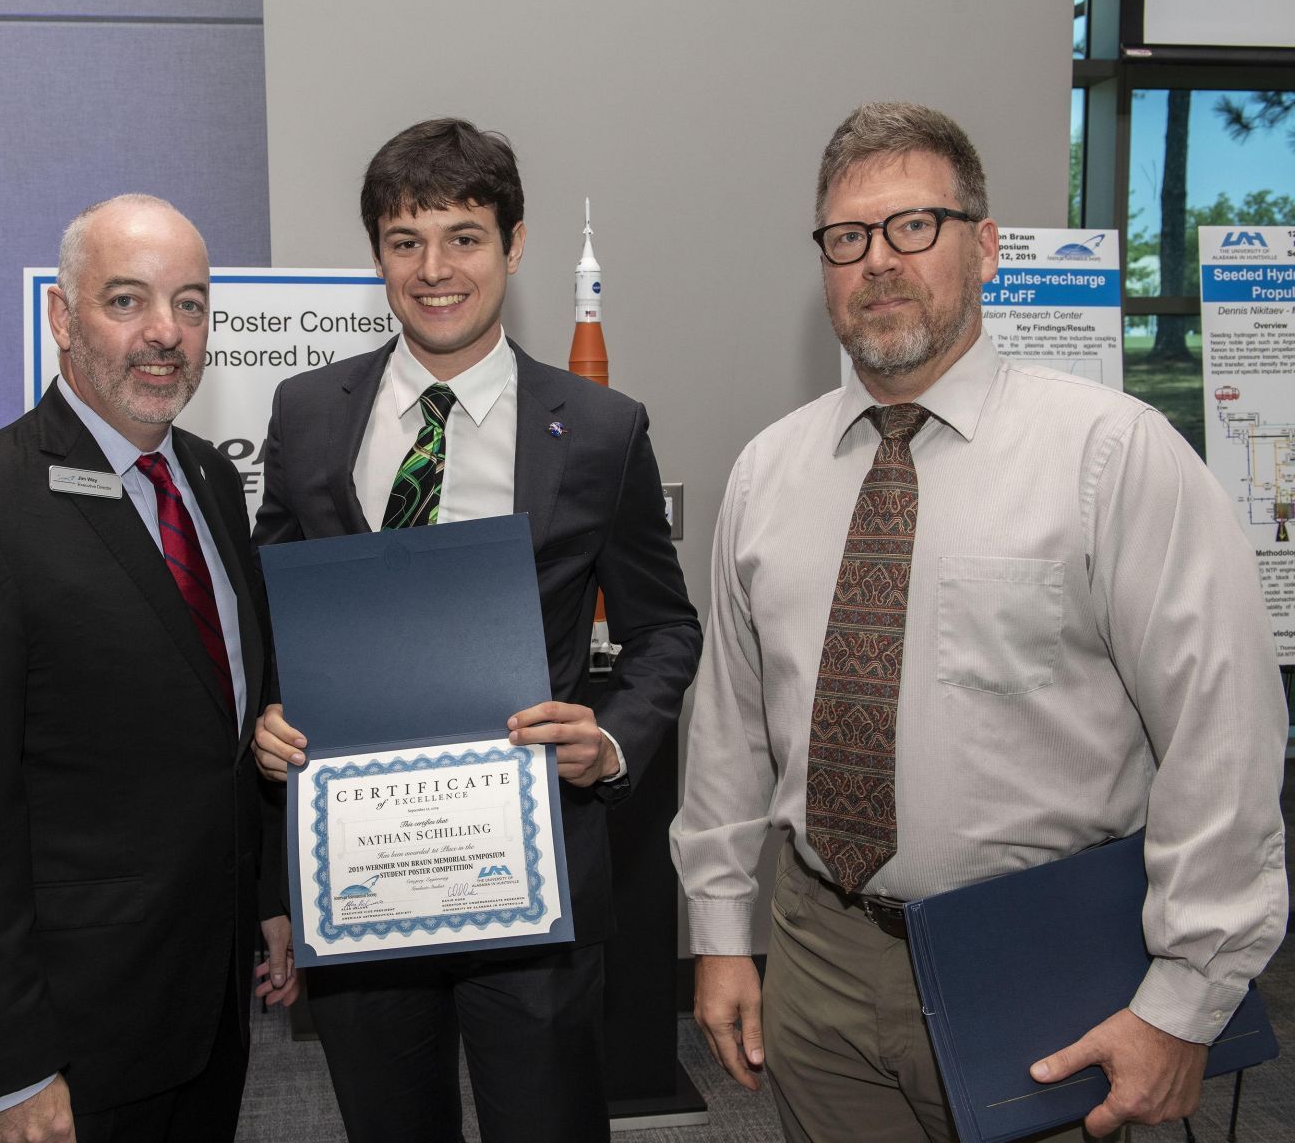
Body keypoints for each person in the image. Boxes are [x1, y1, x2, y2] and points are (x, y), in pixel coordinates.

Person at [670, 101, 1287, 1143]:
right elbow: (732, 725)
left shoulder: (1112, 459)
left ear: (986, 246)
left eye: (915, 226)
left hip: (1043, 960)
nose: (878, 261)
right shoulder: (769, 472)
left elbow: (1222, 737)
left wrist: (1186, 1000)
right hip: (819, 958)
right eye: (848, 238)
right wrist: (720, 929)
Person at [252, 117, 701, 1143]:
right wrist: (267, 716)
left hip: (529, 874)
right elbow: (274, 607)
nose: (435, 269)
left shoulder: (597, 429)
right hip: (359, 873)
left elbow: (665, 629)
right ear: (377, 254)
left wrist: (614, 739)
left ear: (516, 244)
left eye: (463, 235)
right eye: (406, 241)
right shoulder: (309, 413)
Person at [0, 194, 298, 1143]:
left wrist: (267, 900)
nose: (164, 334)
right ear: (62, 317)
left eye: (190, 304)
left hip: (211, 1005)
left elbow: (224, 731)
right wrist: (9, 1069)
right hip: (72, 1038)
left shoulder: (212, 481)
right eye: (126, 301)